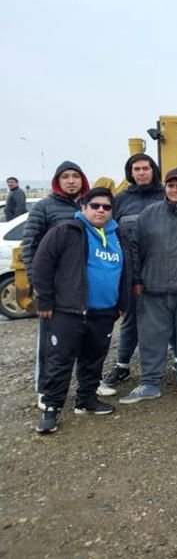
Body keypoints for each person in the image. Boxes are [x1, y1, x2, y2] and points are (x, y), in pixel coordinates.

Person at [31, 188, 128, 434]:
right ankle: (51, 408)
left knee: (94, 359)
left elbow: (126, 271)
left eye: (106, 207)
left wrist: (122, 305)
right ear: (83, 207)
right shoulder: (65, 231)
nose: (101, 211)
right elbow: (42, 265)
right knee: (60, 360)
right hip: (69, 310)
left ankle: (86, 400)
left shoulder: (118, 235)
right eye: (95, 206)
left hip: (104, 312)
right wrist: (45, 301)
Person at [120, 168, 177, 404]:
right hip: (153, 288)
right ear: (165, 188)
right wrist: (137, 280)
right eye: (171, 185)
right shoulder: (149, 214)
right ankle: (150, 382)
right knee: (151, 337)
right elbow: (135, 250)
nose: (175, 190)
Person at [21, 161, 90, 406]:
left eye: (75, 176)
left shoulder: (90, 206)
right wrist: (40, 290)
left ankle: (89, 384)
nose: (71, 181)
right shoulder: (44, 208)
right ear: (57, 181)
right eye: (65, 177)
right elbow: (30, 249)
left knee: (86, 340)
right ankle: (45, 388)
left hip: (85, 289)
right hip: (57, 291)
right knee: (51, 344)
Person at [99, 153, 165, 393]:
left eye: (145, 168)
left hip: (165, 269)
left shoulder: (166, 194)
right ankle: (122, 364)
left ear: (153, 170)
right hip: (131, 271)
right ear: (130, 173)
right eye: (136, 169)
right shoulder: (120, 201)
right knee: (131, 320)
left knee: (172, 318)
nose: (141, 173)